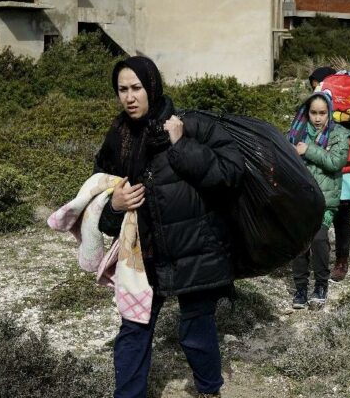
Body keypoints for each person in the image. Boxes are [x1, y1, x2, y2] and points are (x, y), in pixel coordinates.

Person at [93, 56, 244, 398]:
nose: (129, 97)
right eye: (122, 90)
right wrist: (114, 206)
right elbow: (97, 200)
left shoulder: (191, 125)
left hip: (194, 247)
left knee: (197, 327)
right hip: (144, 255)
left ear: (153, 87)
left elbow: (229, 176)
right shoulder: (117, 139)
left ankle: (208, 391)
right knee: (134, 329)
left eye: (137, 88)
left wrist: (182, 146)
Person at [287, 92, 350, 309]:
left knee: (318, 239)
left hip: (325, 200)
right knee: (300, 244)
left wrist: (308, 150)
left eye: (322, 113)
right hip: (300, 199)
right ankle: (301, 288)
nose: (317, 118)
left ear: (329, 112)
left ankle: (321, 285)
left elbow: (335, 162)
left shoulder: (339, 134)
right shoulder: (297, 133)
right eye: (313, 112)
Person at [307, 67, 350, 282]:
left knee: (341, 217)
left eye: (318, 83)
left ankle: (341, 261)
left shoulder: (349, 104)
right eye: (314, 84)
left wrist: (345, 118)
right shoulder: (313, 107)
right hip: (314, 168)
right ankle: (318, 257)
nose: (316, 88)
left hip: (343, 169)